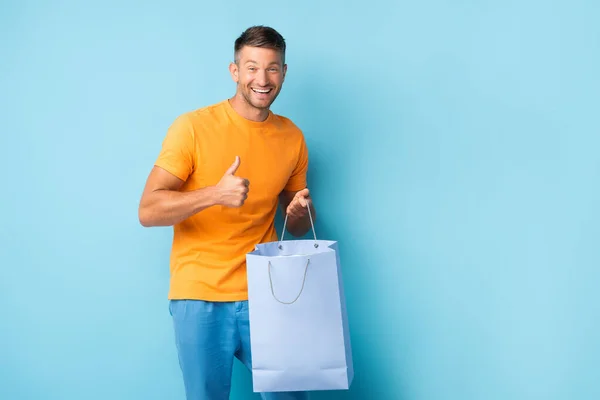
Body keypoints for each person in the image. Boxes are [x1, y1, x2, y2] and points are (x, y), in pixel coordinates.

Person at [138, 25, 314, 400]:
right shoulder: (193, 128)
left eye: (272, 68)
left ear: (284, 72)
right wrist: (214, 194)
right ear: (235, 72)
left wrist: (298, 209)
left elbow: (295, 229)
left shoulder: (293, 137)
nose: (262, 79)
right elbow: (148, 209)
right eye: (251, 67)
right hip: (199, 295)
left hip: (268, 295)